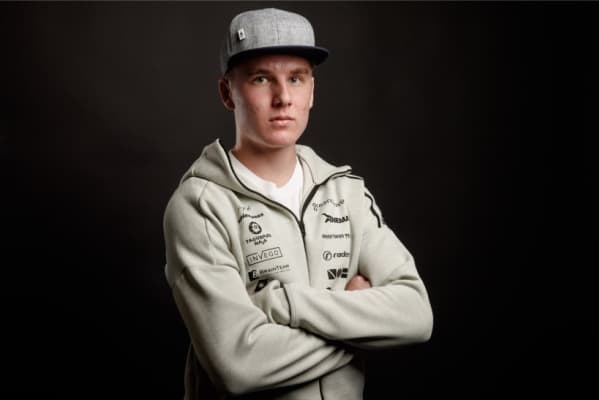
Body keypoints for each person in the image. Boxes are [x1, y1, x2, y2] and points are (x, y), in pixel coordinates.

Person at [163, 8, 433, 400]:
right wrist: (359, 323)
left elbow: (416, 315)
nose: (283, 98)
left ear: (312, 91)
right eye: (261, 79)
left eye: (296, 78)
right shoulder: (200, 206)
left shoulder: (345, 193)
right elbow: (238, 365)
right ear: (227, 93)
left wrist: (284, 305)